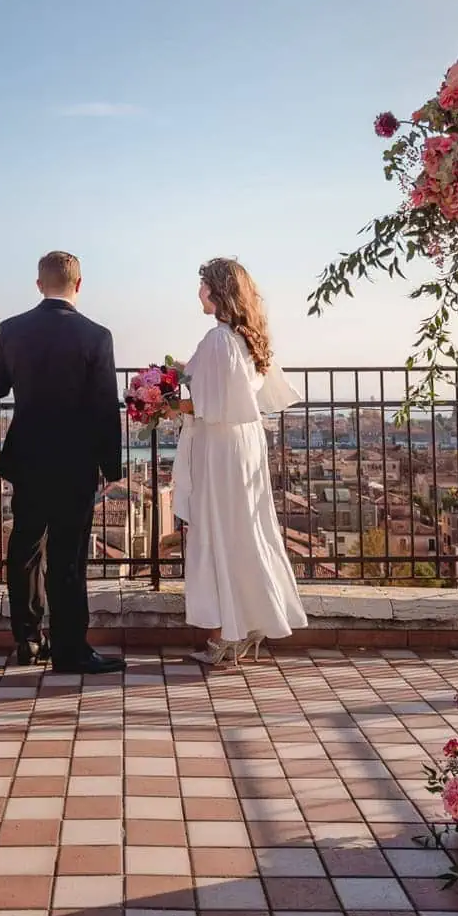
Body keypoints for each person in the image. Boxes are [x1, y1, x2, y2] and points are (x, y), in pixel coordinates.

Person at [0, 251, 127, 675]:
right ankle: (69, 648)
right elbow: (105, 405)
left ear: (38, 284)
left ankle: (27, 639)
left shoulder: (11, 329)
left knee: (25, 545)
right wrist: (111, 465)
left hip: (27, 455)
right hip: (75, 459)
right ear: (79, 285)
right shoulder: (96, 336)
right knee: (69, 553)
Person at [173, 258, 307, 668]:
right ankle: (244, 625)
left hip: (219, 448)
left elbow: (208, 404)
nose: (198, 293)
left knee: (217, 530)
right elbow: (230, 392)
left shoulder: (218, 340)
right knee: (243, 528)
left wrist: (158, 404)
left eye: (203, 287)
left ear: (218, 292)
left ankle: (225, 635)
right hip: (243, 445)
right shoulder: (246, 339)